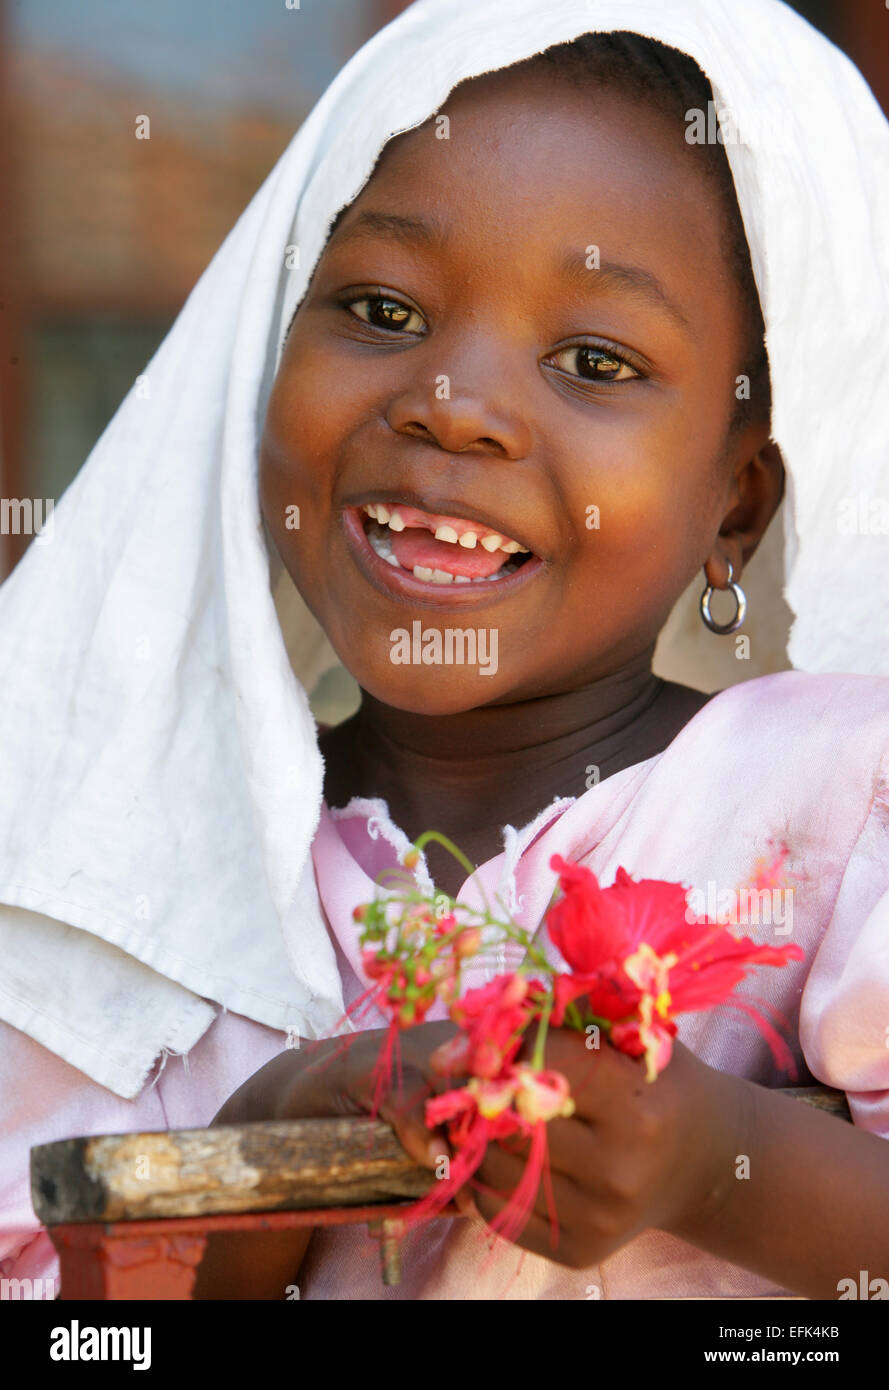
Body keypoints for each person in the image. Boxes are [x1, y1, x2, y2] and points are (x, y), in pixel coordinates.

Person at [1, 0, 887, 1302]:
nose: (454, 407)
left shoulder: (830, 809)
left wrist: (717, 1159)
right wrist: (272, 1147)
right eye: (380, 308)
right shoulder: (119, 889)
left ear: (736, 508)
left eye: (593, 358)